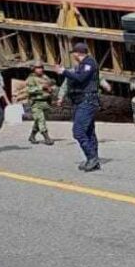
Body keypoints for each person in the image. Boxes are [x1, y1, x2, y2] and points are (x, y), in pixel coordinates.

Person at [55, 42, 101, 172]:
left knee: (79, 131)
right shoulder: (82, 64)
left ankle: (92, 157)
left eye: (74, 53)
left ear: (77, 53)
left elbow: (81, 78)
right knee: (89, 132)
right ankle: (93, 159)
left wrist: (64, 71)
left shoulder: (89, 63)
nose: (73, 56)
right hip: (80, 101)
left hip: (87, 101)